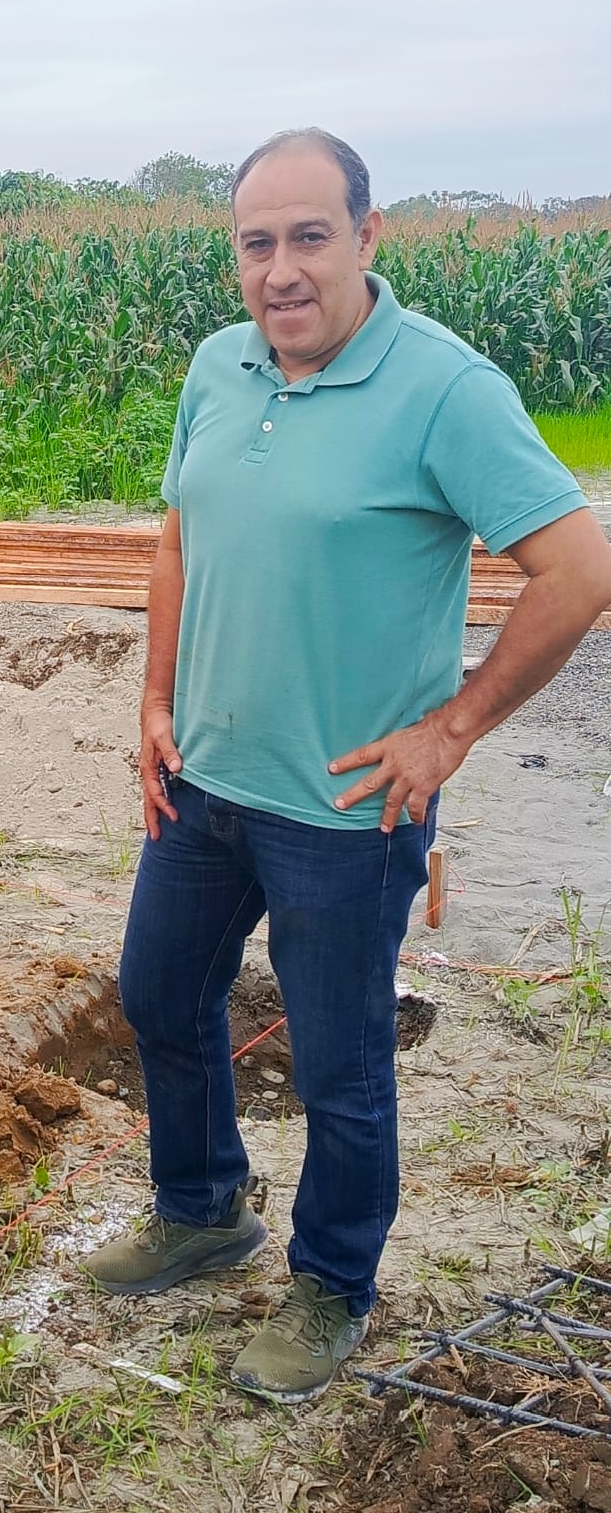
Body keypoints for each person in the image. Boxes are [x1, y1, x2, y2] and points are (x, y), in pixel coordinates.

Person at [85, 128, 611, 1403]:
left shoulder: (443, 388)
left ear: (368, 237)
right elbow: (177, 537)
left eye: (309, 236)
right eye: (255, 242)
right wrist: (154, 698)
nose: (281, 269)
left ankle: (330, 1282)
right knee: (158, 996)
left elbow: (579, 568)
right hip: (202, 779)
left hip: (343, 809)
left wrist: (450, 729)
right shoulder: (218, 365)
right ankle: (201, 1209)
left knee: (338, 1066)